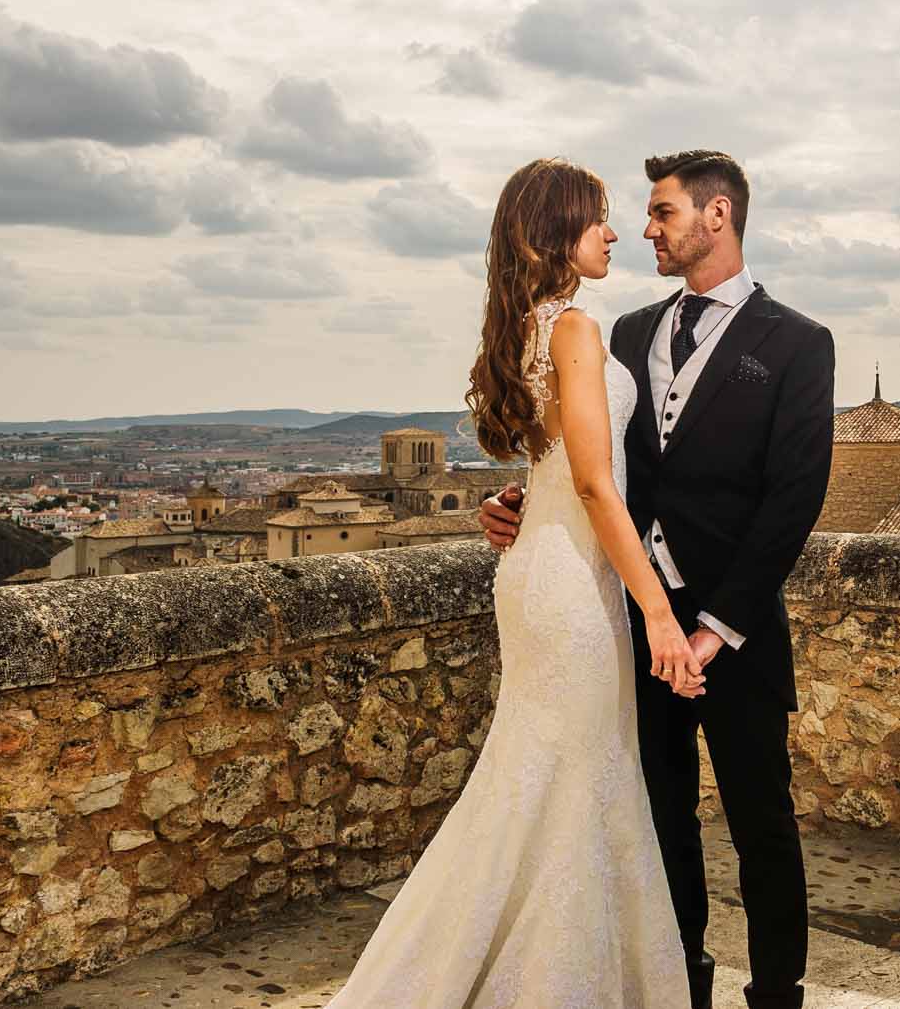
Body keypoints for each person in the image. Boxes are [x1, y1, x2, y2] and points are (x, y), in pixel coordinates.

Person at [325, 158, 699, 1009]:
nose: (613, 232)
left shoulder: (527, 327)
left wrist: (527, 505)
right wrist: (661, 614)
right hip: (572, 585)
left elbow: (560, 470)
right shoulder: (572, 328)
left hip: (544, 570)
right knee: (570, 781)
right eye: (598, 217)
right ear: (556, 233)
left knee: (543, 779)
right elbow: (600, 484)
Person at [484, 150, 834, 1009]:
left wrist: (717, 625)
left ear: (717, 216)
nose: (646, 230)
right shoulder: (628, 333)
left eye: (662, 213)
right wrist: (523, 501)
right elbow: (597, 464)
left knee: (762, 823)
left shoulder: (797, 342)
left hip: (734, 630)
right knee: (659, 817)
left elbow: (794, 499)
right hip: (632, 621)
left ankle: (777, 993)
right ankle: (684, 982)